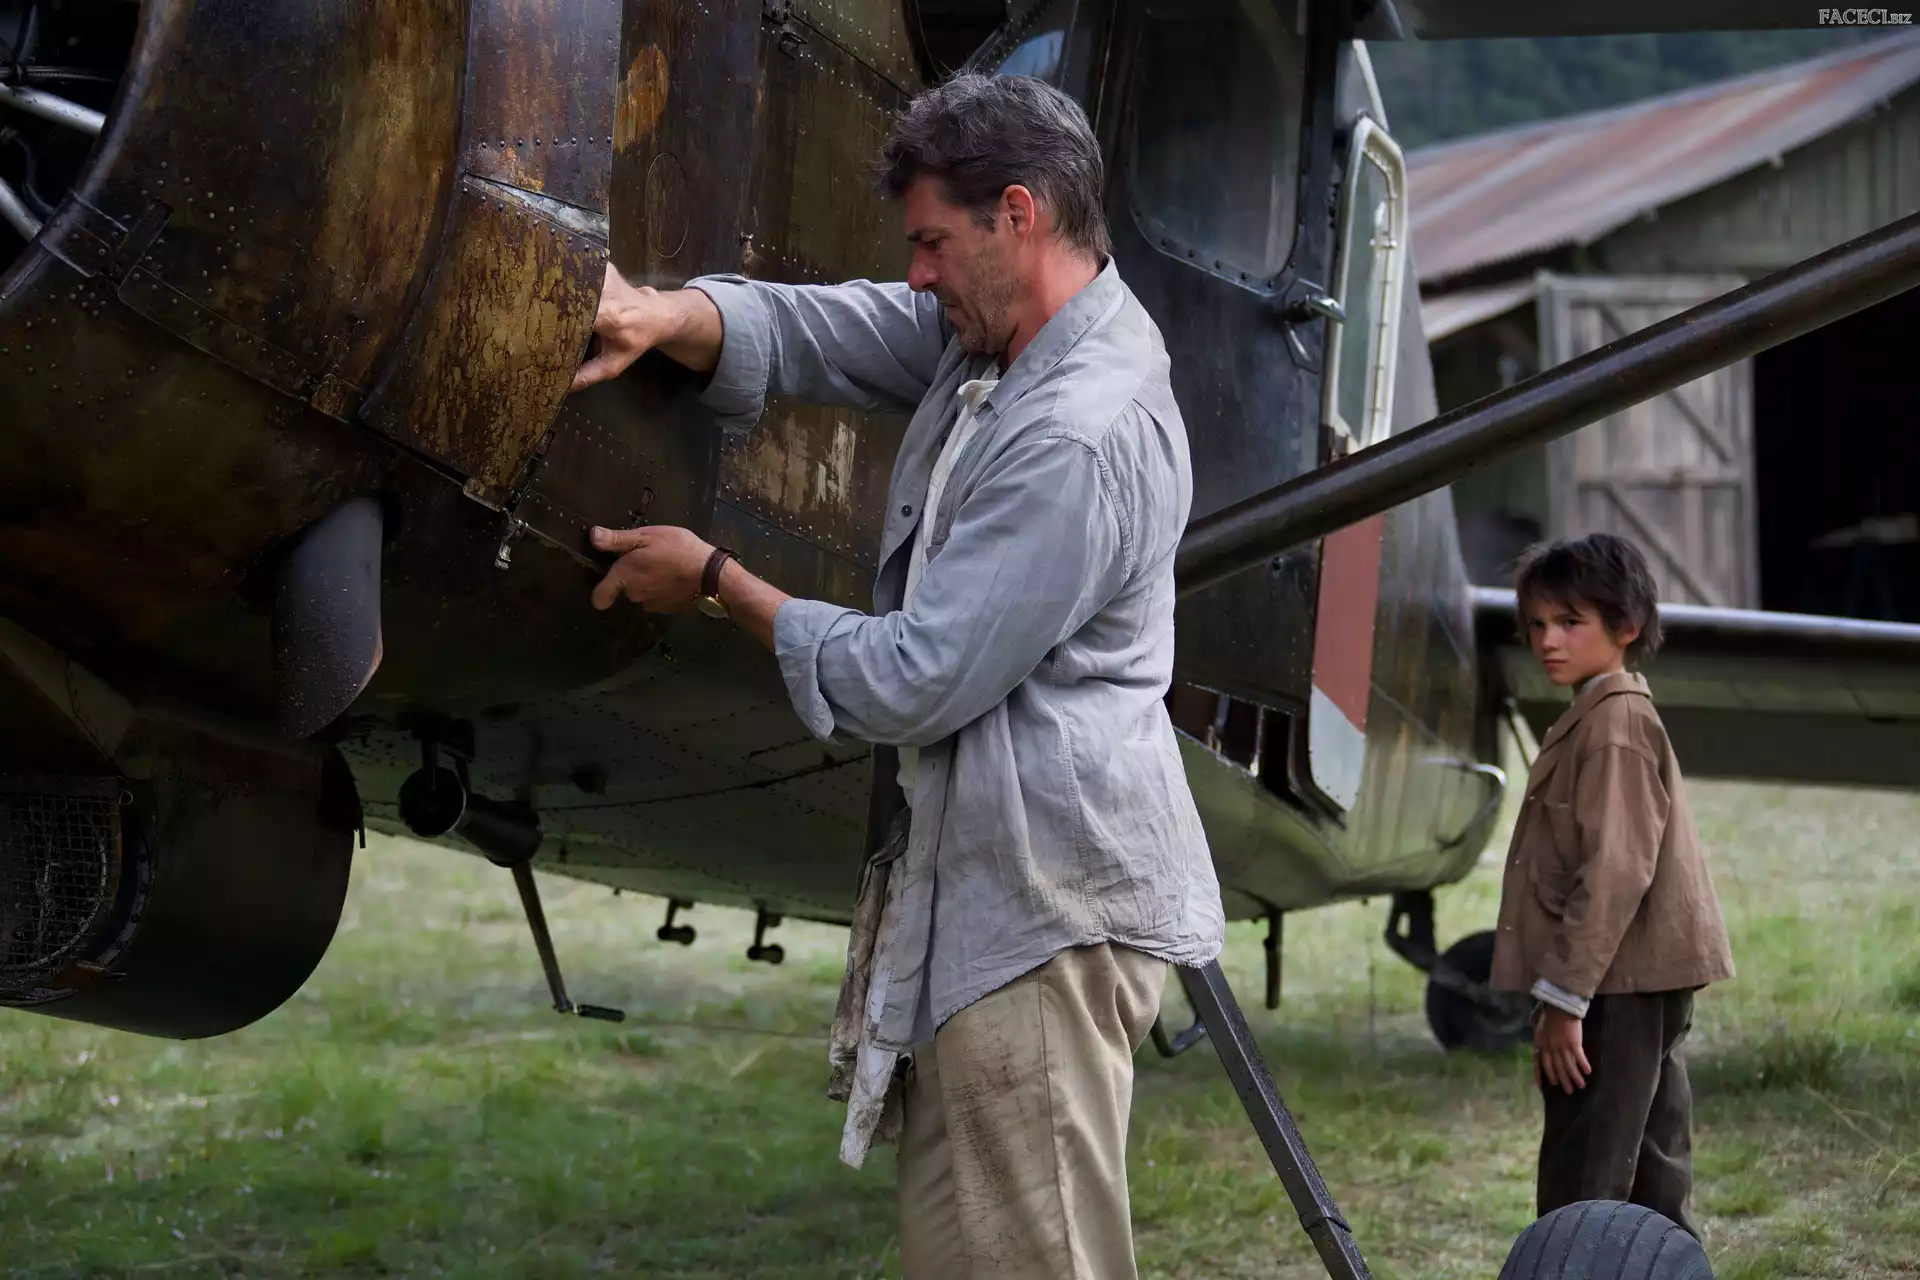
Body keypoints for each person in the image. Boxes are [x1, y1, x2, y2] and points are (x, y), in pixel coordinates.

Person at [568, 73, 1224, 1280]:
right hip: (992, 906)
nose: (916, 275)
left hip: (1044, 916)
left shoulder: (1075, 434)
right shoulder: (1009, 336)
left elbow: (914, 677)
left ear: (1017, 215)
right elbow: (842, 329)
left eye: (931, 243)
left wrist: (717, 580)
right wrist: (671, 314)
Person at [1491, 533, 1735, 1240]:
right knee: (1651, 1167)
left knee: (1587, 1174)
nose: (1547, 641)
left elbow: (1615, 871)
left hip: (1615, 984)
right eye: (1537, 624)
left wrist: (1565, 998)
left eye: (1571, 622)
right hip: (1631, 979)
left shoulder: (1614, 727)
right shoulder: (1600, 716)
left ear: (1626, 626)